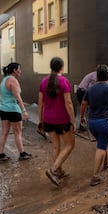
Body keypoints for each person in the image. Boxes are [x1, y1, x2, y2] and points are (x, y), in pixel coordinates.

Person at [38, 57, 77, 186]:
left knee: (56, 146)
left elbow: (40, 103)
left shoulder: (43, 82)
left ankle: (59, 172)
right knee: (70, 145)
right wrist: (73, 120)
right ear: (62, 67)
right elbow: (69, 103)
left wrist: (40, 120)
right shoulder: (64, 81)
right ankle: (53, 170)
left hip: (48, 119)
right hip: (62, 119)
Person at [0, 62, 32, 163]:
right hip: (13, 110)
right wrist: (24, 111)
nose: (20, 71)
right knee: (18, 133)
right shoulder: (13, 80)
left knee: (4, 133)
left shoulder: (4, 80)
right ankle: (22, 154)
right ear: (15, 70)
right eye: (19, 69)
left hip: (3, 109)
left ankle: (1, 155)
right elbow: (17, 97)